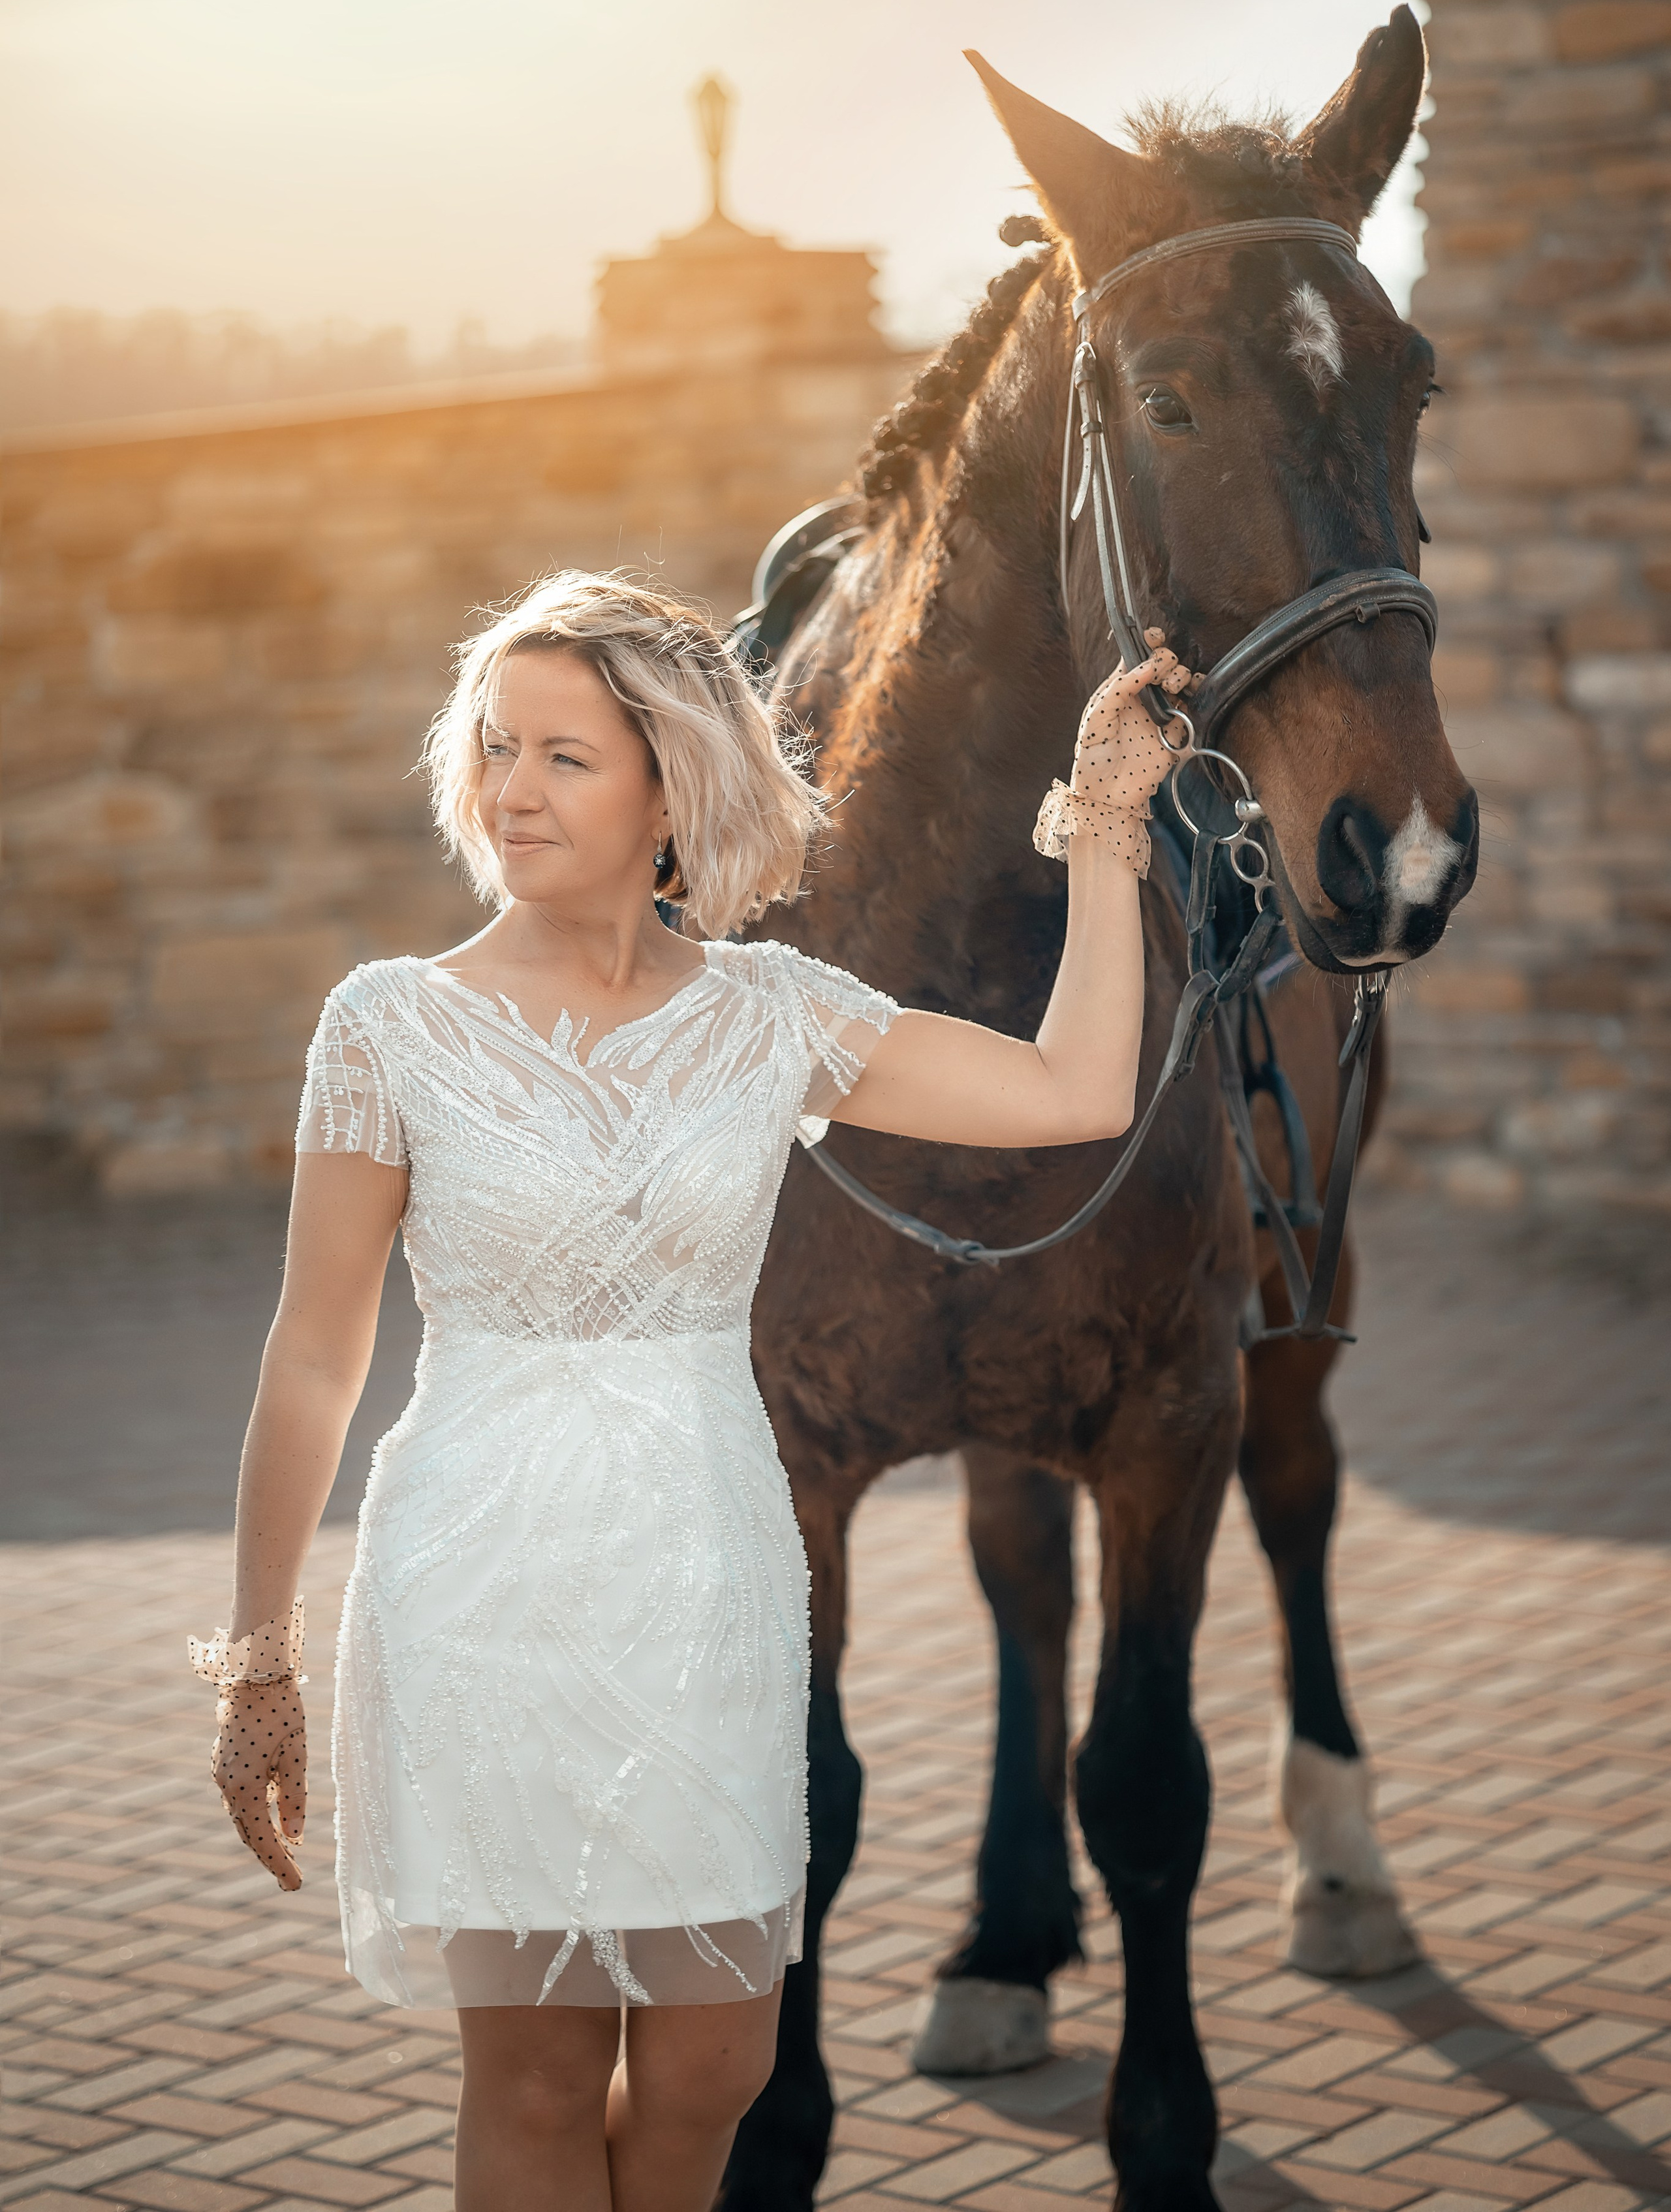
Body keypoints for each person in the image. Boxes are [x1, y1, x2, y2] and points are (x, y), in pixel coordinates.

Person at [188, 567, 1193, 2212]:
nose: (510, 786)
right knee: (530, 2070)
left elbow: (1075, 1090)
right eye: (496, 746)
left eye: (564, 756)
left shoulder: (769, 1016)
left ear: (671, 786)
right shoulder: (390, 1026)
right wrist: (257, 1662)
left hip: (708, 1579)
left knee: (719, 2061)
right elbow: (313, 1355)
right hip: (480, 1583)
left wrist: (1096, 821)